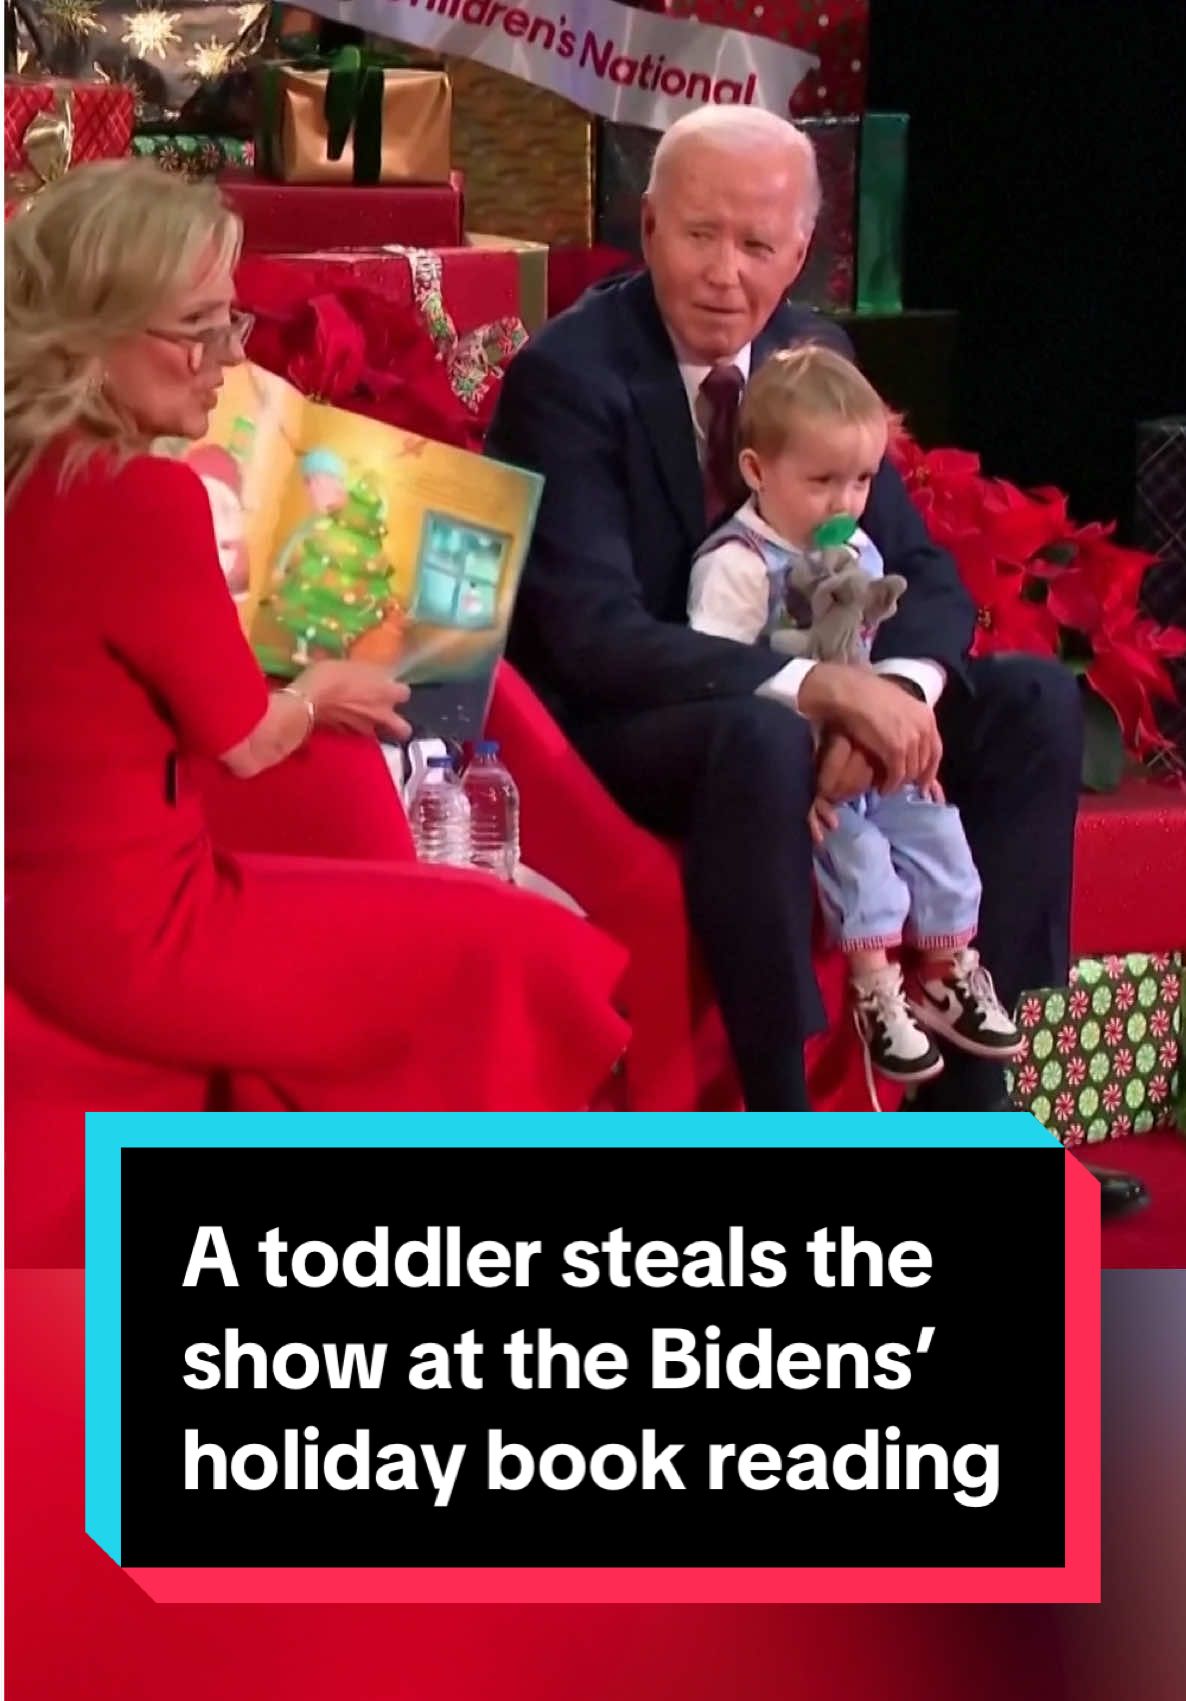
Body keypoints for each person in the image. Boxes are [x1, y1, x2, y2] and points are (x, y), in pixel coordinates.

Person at [485, 105, 1144, 1214]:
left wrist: (890, 694)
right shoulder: (569, 377)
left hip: (806, 694)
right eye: (698, 235)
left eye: (757, 245)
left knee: (1030, 702)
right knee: (756, 732)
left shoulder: (812, 353)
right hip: (640, 718)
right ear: (645, 227)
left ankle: (971, 1111)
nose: (724, 274)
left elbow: (922, 575)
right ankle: (783, 1123)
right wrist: (810, 692)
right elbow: (591, 634)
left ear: (800, 253)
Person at [4, 160, 628, 1114]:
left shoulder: (33, 475)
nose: (225, 355)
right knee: (512, 946)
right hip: (139, 933)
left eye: (230, 320)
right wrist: (322, 692)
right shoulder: (138, 495)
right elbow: (247, 739)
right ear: (94, 331)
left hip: (55, 915)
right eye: (197, 330)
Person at [689, 342, 1024, 1091]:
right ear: (756, 471)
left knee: (939, 828)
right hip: (798, 763)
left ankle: (949, 971)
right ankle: (875, 984)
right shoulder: (737, 565)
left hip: (866, 750)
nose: (844, 503)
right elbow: (717, 676)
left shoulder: (864, 549)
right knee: (860, 854)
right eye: (821, 482)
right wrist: (795, 772)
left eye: (863, 480)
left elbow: (886, 636)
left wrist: (895, 723)